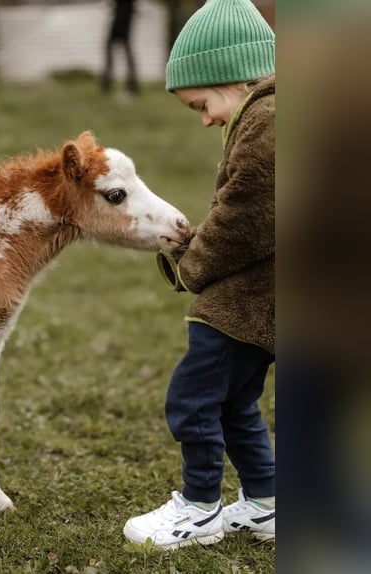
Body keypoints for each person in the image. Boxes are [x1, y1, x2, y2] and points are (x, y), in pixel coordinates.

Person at [122, 0, 275, 550]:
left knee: (192, 398)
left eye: (201, 104)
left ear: (231, 76)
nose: (206, 118)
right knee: (235, 403)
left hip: (244, 301)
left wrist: (193, 263)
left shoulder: (271, 120)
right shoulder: (268, 115)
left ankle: (200, 507)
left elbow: (247, 215)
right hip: (264, 301)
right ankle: (266, 502)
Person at [101, 0, 139, 100]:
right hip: (122, 13)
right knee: (119, 48)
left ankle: (129, 82)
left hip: (123, 15)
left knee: (120, 48)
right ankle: (109, 80)